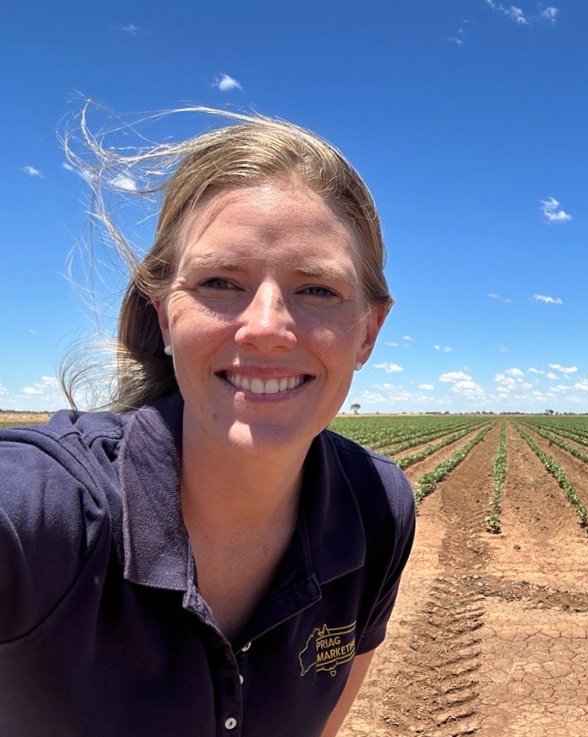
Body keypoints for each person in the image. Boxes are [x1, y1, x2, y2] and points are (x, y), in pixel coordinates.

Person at [0, 107, 415, 737]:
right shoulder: (45, 510)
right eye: (222, 281)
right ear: (165, 315)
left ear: (369, 331)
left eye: (318, 290)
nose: (267, 328)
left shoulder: (377, 511)